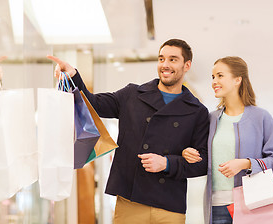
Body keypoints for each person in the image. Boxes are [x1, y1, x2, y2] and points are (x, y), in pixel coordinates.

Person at [48, 39, 209, 224]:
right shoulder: (132, 95)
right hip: (130, 201)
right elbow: (94, 104)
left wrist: (167, 163)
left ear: (186, 65)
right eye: (161, 58)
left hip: (170, 204)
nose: (165, 64)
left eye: (173, 59)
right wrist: (73, 75)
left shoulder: (197, 111)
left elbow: (202, 164)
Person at [182, 56, 273, 224]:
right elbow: (201, 156)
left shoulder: (260, 118)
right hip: (216, 206)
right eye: (213, 77)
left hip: (253, 205)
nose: (214, 81)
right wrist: (188, 152)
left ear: (238, 79)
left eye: (220, 75)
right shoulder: (211, 119)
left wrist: (246, 163)